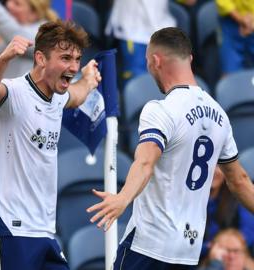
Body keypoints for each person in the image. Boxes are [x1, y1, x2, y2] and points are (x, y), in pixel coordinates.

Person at [87, 27, 254, 269]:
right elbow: (239, 180)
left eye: (146, 61)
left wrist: (123, 197)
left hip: (150, 244)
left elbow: (145, 162)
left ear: (155, 61)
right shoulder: (220, 115)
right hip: (187, 251)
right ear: (190, 59)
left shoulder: (160, 109)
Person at [0, 20, 102, 269]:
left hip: (44, 229)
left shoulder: (57, 98)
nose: (73, 66)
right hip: (10, 229)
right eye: (66, 58)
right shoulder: (14, 93)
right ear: (40, 58)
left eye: (77, 59)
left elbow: (76, 95)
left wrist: (89, 79)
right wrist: (3, 59)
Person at [201, 166, 254, 259]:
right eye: (209, 165)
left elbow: (249, 231)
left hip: (231, 256)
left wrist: (226, 248)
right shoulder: (188, 202)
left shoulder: (237, 198)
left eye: (218, 167)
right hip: (198, 259)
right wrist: (208, 248)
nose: (213, 171)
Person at [216, 0, 254, 75]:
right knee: (230, 75)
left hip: (249, 22)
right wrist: (241, 19)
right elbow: (223, 2)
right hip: (230, 21)